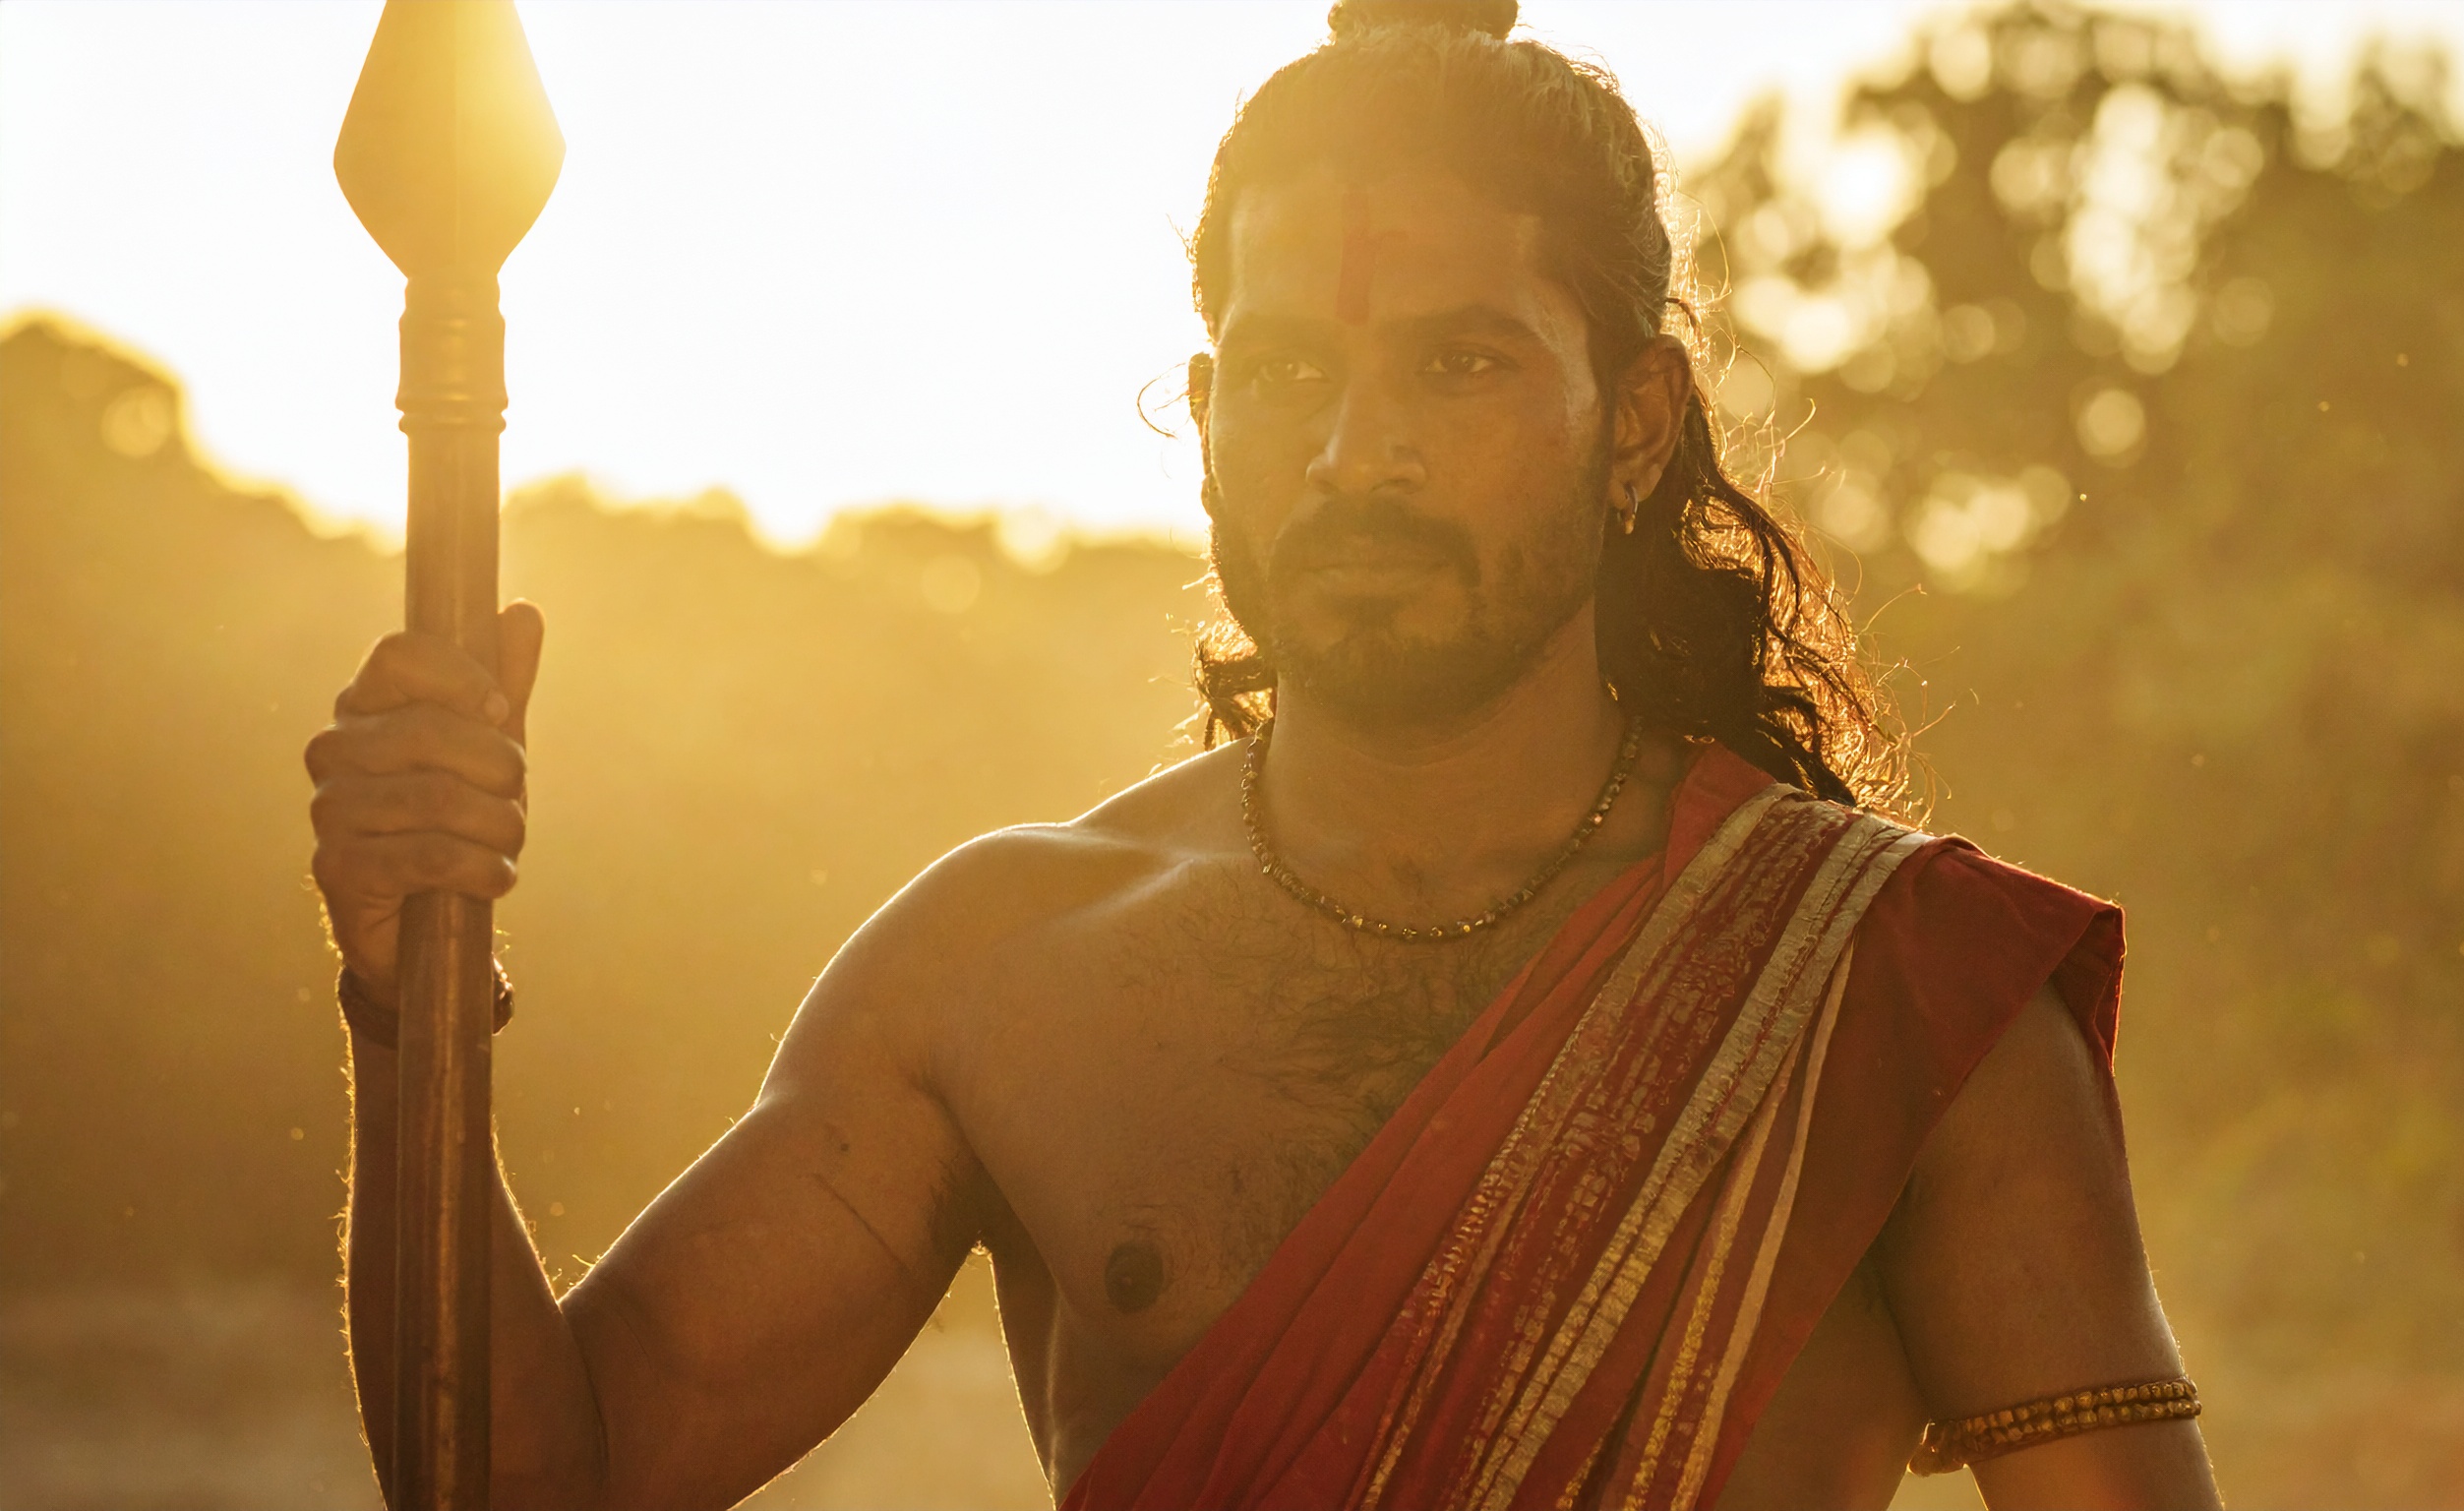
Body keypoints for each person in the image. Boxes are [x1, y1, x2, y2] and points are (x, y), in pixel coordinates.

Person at [305, 3, 2221, 1506]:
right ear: (1209, 414)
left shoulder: (1885, 995)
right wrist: (414, 992)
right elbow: (521, 1479)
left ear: (1635, 426)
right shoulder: (1004, 973)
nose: (1351, 454)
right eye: (1292, 370)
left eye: (1459, 366)